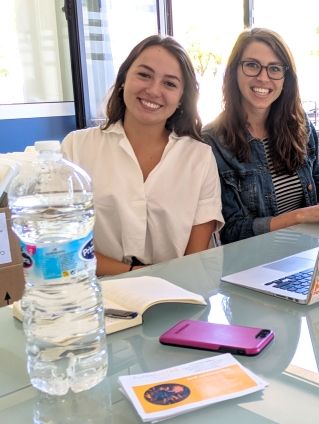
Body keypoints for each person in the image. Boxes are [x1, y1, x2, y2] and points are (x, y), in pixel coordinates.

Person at [62, 35, 224, 276]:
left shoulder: (199, 157)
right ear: (123, 80)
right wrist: (137, 273)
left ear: (181, 99)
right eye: (144, 75)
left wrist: (154, 281)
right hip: (96, 293)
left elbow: (195, 261)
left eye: (170, 84)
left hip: (176, 291)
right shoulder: (76, 147)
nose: (153, 90)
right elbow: (65, 246)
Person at [202, 28, 319, 244]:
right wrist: (299, 216)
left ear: (285, 78)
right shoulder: (212, 141)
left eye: (274, 68)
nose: (263, 78)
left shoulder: (301, 126)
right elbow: (231, 231)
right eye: (252, 65)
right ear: (235, 71)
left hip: (307, 254)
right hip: (251, 266)